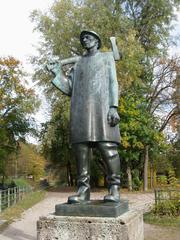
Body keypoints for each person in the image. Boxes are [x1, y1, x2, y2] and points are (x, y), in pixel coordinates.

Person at [47, 30, 121, 204]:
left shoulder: (106, 58)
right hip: (80, 111)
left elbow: (113, 82)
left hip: (103, 108)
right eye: (83, 38)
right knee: (81, 150)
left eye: (88, 37)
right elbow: (69, 89)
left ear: (97, 40)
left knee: (107, 147)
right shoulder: (78, 63)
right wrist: (57, 73)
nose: (85, 40)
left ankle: (115, 188)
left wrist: (113, 107)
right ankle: (82, 191)